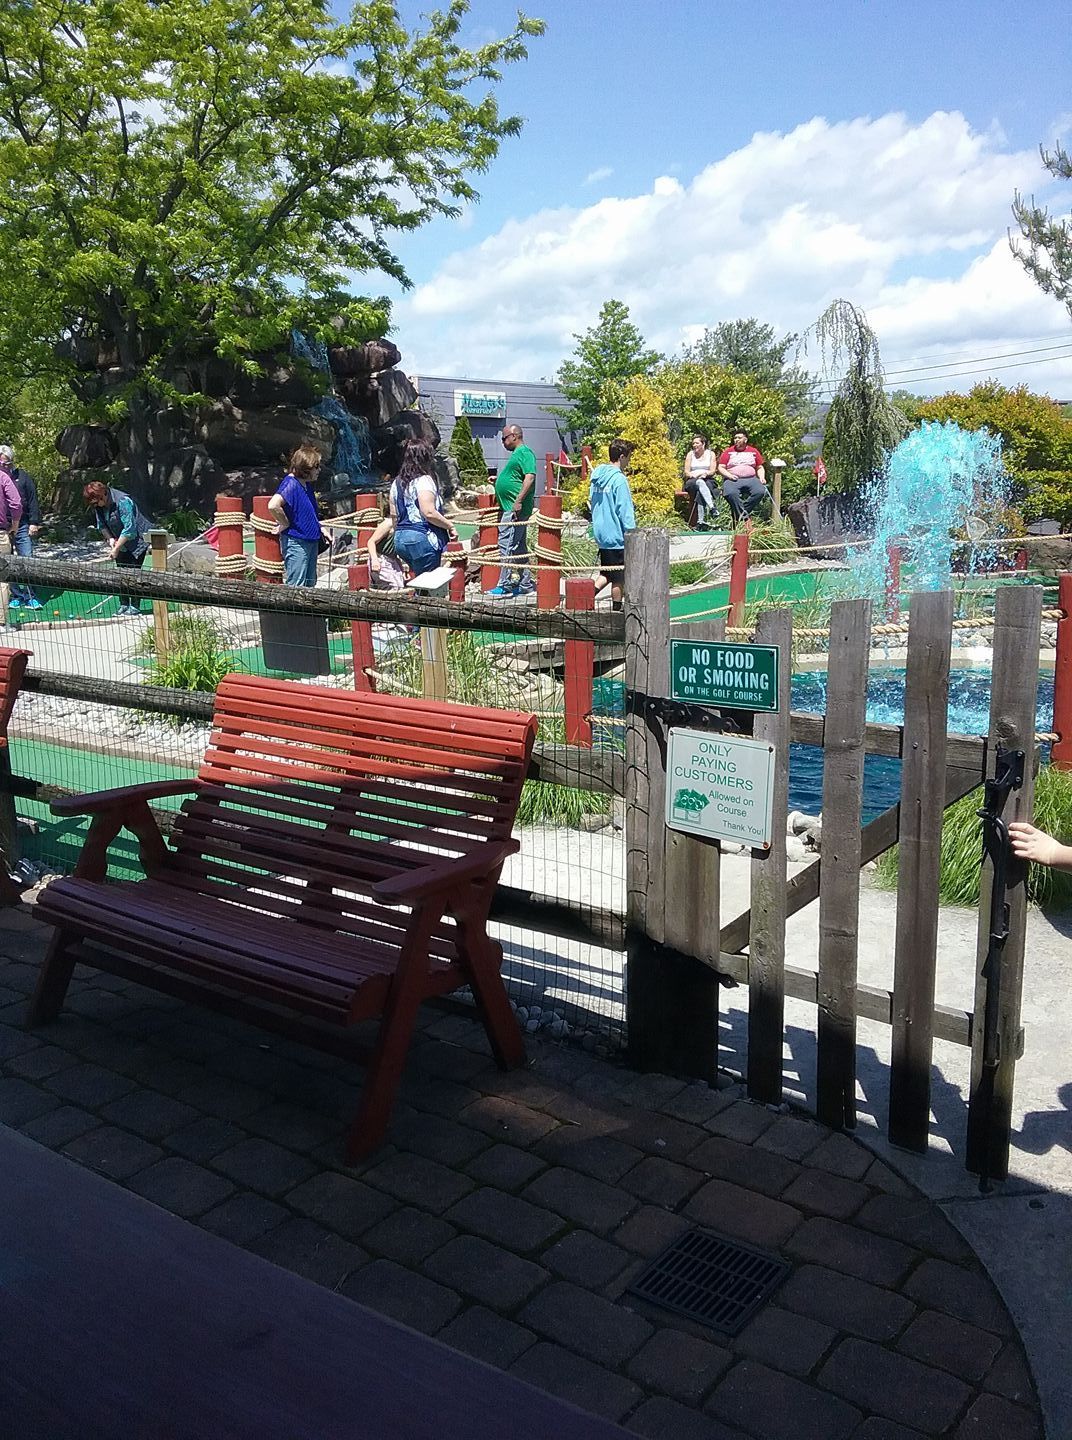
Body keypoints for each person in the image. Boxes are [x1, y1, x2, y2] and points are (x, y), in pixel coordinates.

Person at [388, 439, 456, 576]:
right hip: (422, 536)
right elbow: (428, 512)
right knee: (429, 582)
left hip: (400, 538)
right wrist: (450, 526)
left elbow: (394, 515)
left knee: (419, 578)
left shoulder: (396, 483)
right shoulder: (424, 480)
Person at [83, 480, 151, 616]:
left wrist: (116, 548)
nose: (95, 506)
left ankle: (135, 607)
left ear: (103, 495)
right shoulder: (99, 507)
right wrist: (110, 539)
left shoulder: (122, 501)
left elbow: (130, 529)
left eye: (96, 502)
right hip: (120, 541)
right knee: (121, 573)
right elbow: (102, 525)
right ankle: (124, 605)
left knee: (134, 573)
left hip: (137, 541)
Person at [268, 445, 328, 587]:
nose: (319, 470)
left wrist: (322, 529)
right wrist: (285, 523)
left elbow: (309, 512)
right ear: (306, 468)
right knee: (297, 586)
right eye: (316, 466)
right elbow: (273, 505)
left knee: (310, 584)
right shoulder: (291, 484)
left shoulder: (306, 485)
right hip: (297, 542)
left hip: (311, 540)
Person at [489, 422, 537, 599]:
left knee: (506, 544)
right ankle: (525, 583)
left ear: (515, 436)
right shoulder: (517, 455)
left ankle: (505, 584)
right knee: (518, 547)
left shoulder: (524, 453)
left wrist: (518, 501)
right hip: (510, 507)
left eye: (504, 438)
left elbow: (529, 477)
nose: (502, 442)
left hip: (514, 509)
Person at [589, 439, 636, 609]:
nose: (629, 461)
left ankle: (584, 597)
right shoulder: (619, 480)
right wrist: (632, 532)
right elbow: (624, 509)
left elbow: (592, 502)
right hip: (616, 535)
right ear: (622, 457)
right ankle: (617, 611)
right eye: (628, 457)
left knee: (606, 573)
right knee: (618, 577)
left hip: (602, 533)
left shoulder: (596, 477)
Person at [0, 445, 41, 609]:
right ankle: (16, 595)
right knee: (6, 562)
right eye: (1, 463)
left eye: (7, 463)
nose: (4, 467)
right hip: (4, 527)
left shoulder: (22, 477)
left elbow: (32, 500)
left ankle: (31, 595)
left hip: (22, 524)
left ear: (12, 462)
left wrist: (34, 522)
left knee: (26, 558)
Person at [718, 428, 769, 523]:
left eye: (739, 438)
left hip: (751, 479)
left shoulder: (753, 451)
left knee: (760, 491)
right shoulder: (728, 452)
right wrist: (729, 475)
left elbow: (759, 467)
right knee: (730, 493)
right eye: (735, 438)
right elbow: (721, 467)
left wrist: (762, 477)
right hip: (733, 479)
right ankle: (744, 517)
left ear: (745, 440)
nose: (736, 440)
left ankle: (741, 513)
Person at [682, 433, 719, 529]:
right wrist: (693, 475)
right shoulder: (690, 454)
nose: (694, 445)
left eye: (697, 443)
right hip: (692, 480)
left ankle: (700, 522)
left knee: (701, 491)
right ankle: (712, 507)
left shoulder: (711, 454)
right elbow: (686, 471)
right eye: (693, 443)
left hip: (708, 479)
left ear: (703, 444)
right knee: (699, 482)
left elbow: (712, 470)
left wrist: (705, 474)